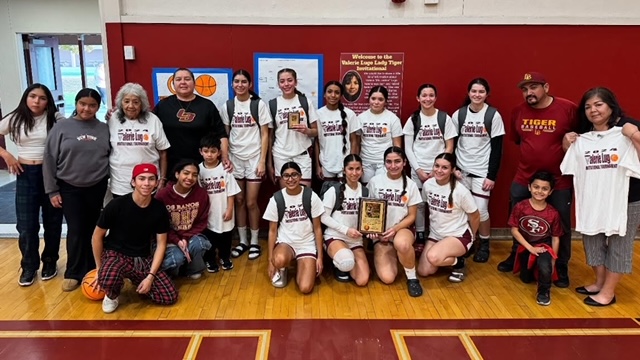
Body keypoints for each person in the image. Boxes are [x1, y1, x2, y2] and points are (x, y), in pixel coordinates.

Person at [561, 87, 640, 307]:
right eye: (588, 107)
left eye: (598, 104)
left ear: (611, 105)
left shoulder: (627, 128)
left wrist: (633, 134)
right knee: (591, 240)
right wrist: (567, 144)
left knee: (620, 244)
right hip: (593, 199)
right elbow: (569, 163)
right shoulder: (584, 136)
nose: (593, 110)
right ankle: (599, 282)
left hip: (627, 198)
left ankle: (608, 292)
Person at [497, 72, 577, 289]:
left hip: (559, 179)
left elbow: (582, 137)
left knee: (562, 224)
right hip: (525, 176)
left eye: (533, 87)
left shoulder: (568, 108)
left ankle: (560, 267)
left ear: (547, 87)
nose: (528, 93)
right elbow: (518, 140)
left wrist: (570, 139)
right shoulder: (518, 112)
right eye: (524, 89)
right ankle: (517, 257)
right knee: (517, 218)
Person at [43, 88, 110, 292]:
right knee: (76, 229)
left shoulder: (104, 129)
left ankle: (93, 269)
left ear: (98, 107)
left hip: (97, 186)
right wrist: (52, 191)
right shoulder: (62, 127)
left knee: (94, 229)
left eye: (92, 105)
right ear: (77, 104)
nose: (86, 108)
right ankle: (73, 272)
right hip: (69, 187)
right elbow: (49, 159)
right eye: (83, 104)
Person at [0, 84, 65, 286]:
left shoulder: (55, 118)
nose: (36, 101)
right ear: (26, 98)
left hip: (51, 175)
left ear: (48, 101)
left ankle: (50, 262)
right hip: (25, 174)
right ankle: (29, 266)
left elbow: (73, 132)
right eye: (32, 96)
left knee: (52, 223)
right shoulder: (16, 118)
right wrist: (6, 155)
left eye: (42, 98)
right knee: (26, 226)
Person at [92, 163, 178, 313]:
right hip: (116, 255)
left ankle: (135, 279)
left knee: (169, 296)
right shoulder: (116, 205)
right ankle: (112, 295)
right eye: (141, 179)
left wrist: (150, 277)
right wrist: (99, 268)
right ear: (133, 182)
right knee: (107, 277)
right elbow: (96, 237)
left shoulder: (159, 209)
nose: (146, 183)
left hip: (142, 258)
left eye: (151, 179)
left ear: (157, 183)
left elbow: (161, 244)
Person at [451, 78, 505, 263]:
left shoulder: (493, 115)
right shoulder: (459, 115)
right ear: (468, 93)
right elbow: (453, 143)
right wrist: (454, 168)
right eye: (474, 91)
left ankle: (484, 243)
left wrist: (492, 176)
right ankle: (468, 242)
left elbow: (497, 148)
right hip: (462, 170)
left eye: (481, 92)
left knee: (481, 211)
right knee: (463, 210)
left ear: (486, 94)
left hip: (482, 171)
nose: (477, 95)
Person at [220, 69, 271, 261]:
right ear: (232, 84)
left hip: (254, 158)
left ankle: (255, 241)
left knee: (251, 202)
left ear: (249, 84)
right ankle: (242, 241)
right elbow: (224, 134)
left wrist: (262, 161)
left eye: (243, 81)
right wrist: (226, 157)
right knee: (239, 201)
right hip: (235, 159)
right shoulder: (228, 106)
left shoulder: (258, 105)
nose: (240, 85)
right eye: (237, 81)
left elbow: (265, 134)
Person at [403, 84, 456, 251]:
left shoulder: (444, 118)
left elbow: (449, 146)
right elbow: (408, 148)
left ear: (435, 98)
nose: (427, 99)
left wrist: (437, 170)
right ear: (418, 98)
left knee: (437, 203)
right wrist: (418, 170)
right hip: (418, 169)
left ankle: (437, 235)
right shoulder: (413, 119)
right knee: (418, 204)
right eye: (424, 95)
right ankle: (420, 234)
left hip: (439, 171)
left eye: (431, 95)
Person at [152, 68, 230, 179]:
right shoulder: (163, 106)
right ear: (173, 84)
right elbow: (149, 126)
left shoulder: (207, 105)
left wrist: (225, 157)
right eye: (178, 79)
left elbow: (221, 134)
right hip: (171, 167)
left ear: (194, 83)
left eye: (187, 79)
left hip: (202, 167)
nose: (183, 82)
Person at [367, 146, 423, 297]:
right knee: (388, 278)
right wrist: (373, 230)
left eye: (397, 161)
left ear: (404, 162)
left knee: (402, 244)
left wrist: (395, 229)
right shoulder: (374, 182)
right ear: (384, 163)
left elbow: (412, 216)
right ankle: (390, 254)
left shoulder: (410, 185)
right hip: (381, 234)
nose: (393, 166)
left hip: (402, 229)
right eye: (389, 162)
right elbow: (369, 210)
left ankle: (412, 278)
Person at [263, 162, 324, 294]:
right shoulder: (276, 199)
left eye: (294, 175)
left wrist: (320, 257)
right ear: (281, 178)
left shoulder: (311, 196)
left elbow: (318, 229)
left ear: (300, 176)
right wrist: (270, 261)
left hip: (306, 243)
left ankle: (303, 265)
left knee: (305, 288)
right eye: (286, 176)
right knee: (278, 260)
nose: (290, 179)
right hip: (286, 242)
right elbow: (272, 231)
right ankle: (283, 268)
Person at [418, 153, 480, 283]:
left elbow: (475, 216)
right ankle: (448, 257)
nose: (439, 170)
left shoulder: (461, 191)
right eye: (437, 166)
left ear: (452, 170)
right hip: (436, 234)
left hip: (458, 235)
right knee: (424, 271)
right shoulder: (428, 185)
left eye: (445, 168)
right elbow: (424, 207)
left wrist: (472, 238)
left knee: (433, 257)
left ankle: (459, 263)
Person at [508, 171, 562, 306]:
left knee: (545, 267)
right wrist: (530, 248)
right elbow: (514, 230)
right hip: (526, 247)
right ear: (529, 187)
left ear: (550, 192)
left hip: (544, 248)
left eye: (544, 189)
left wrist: (553, 260)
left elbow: (556, 238)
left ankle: (544, 291)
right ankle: (534, 271)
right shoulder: (521, 207)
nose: (539, 191)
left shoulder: (553, 213)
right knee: (525, 279)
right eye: (536, 187)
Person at [109, 83, 170, 197]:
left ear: (142, 103)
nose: (131, 106)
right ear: (120, 103)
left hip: (148, 182)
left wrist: (162, 180)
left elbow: (163, 151)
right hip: (120, 182)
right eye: (126, 101)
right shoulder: (113, 118)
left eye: (136, 102)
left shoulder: (153, 120)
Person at [155, 160, 212, 279]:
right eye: (186, 173)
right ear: (177, 174)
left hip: (190, 236)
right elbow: (160, 225)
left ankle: (193, 269)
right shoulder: (162, 195)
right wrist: (177, 240)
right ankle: (177, 271)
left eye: (194, 175)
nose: (190, 178)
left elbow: (202, 221)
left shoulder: (201, 194)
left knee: (200, 244)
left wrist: (185, 238)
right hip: (169, 239)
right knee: (176, 259)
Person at [320, 154, 369, 285]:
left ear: (362, 170)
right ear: (344, 170)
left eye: (358, 169)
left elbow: (369, 219)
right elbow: (323, 216)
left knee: (362, 280)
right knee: (346, 262)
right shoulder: (334, 190)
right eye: (350, 169)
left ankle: (346, 258)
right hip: (336, 236)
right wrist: (345, 230)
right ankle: (338, 263)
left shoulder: (365, 192)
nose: (354, 173)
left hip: (355, 240)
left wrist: (371, 231)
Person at [266, 68, 319, 189]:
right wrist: (269, 163)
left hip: (302, 154)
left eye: (289, 80)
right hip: (281, 155)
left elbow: (316, 132)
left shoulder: (305, 102)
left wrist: (306, 130)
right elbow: (269, 136)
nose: (286, 84)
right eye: (282, 81)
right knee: (286, 197)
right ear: (278, 84)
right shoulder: (273, 104)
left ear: (296, 82)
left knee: (305, 196)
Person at [198, 135, 241, 272]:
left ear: (219, 152)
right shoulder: (198, 170)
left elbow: (231, 192)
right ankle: (210, 259)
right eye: (206, 151)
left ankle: (225, 257)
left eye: (213, 151)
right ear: (201, 152)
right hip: (208, 213)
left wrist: (230, 209)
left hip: (224, 210)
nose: (209, 155)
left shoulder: (225, 169)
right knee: (210, 238)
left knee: (225, 237)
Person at [315, 81, 360, 193]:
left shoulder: (350, 114)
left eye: (337, 92)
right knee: (327, 197)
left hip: (345, 163)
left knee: (345, 196)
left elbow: (354, 141)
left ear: (341, 95)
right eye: (329, 92)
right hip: (326, 162)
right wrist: (317, 165)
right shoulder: (318, 114)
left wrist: (352, 164)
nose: (333, 95)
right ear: (324, 94)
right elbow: (316, 142)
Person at [357, 86, 403, 183]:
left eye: (380, 99)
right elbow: (357, 143)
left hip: (384, 162)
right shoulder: (361, 118)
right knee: (368, 191)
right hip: (366, 161)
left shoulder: (393, 119)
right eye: (373, 98)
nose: (376, 102)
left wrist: (395, 163)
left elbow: (397, 145)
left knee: (381, 188)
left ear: (385, 102)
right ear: (369, 99)